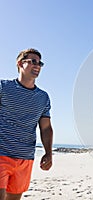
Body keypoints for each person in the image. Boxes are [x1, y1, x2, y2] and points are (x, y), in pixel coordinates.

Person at [0, 48, 54, 200]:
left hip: (25, 158)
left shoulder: (43, 97)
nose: (37, 65)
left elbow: (46, 127)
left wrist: (48, 152)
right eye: (33, 61)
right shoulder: (3, 87)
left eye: (40, 63)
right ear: (20, 63)